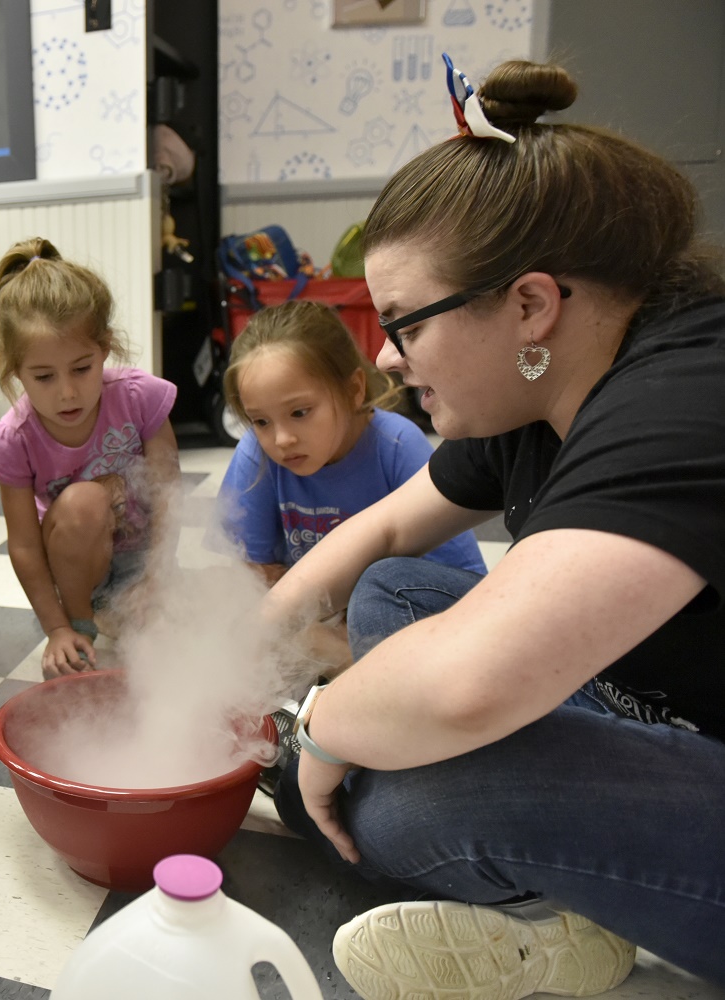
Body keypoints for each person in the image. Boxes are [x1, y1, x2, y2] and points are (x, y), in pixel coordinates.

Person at [261, 58, 725, 994]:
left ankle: (551, 905)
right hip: (664, 717)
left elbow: (470, 686)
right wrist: (232, 652)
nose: (386, 360)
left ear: (529, 304)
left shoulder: (685, 398)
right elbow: (382, 537)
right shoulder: (537, 389)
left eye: (403, 324)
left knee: (406, 806)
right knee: (398, 593)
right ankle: (564, 903)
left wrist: (320, 728)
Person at [0, 237, 181, 677]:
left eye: (81, 368)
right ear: (16, 371)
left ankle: (124, 609)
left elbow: (169, 494)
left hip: (139, 563)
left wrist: (156, 580)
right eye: (43, 376)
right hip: (74, 574)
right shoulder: (14, 438)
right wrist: (57, 628)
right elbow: (24, 546)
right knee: (83, 501)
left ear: (105, 348)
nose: (67, 391)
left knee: (181, 651)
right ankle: (82, 622)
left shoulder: (140, 398)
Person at [211, 299, 486, 588]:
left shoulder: (397, 445)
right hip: (305, 614)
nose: (281, 439)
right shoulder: (257, 452)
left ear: (354, 389)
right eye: (261, 421)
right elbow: (250, 574)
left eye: (299, 413)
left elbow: (463, 581)